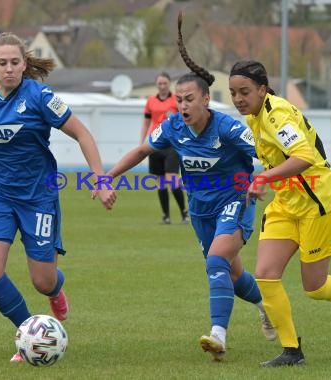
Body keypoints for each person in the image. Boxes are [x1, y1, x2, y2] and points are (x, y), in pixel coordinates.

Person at [0, 32, 116, 363]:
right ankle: (29, 332)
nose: (9, 69)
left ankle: (55, 290)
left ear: (24, 64)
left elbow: (83, 134)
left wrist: (100, 179)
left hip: (38, 197)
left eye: (15, 63)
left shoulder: (41, 96)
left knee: (42, 281)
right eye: (3, 63)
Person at [103, 12, 276, 361]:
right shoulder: (171, 127)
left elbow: (266, 153)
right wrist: (108, 177)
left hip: (234, 201)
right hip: (200, 208)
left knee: (215, 262)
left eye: (189, 100)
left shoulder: (227, 128)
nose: (182, 105)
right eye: (179, 100)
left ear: (205, 100)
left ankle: (218, 335)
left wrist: (261, 181)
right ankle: (266, 306)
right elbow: (141, 150)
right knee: (231, 272)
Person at [228, 60, 331, 367]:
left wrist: (262, 179)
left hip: (318, 203)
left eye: (244, 92)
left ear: (262, 89)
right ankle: (292, 351)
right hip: (286, 204)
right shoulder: (255, 118)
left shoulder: (277, 115)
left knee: (315, 287)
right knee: (266, 275)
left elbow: (303, 156)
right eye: (233, 93)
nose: (237, 99)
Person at [141, 72, 190, 224]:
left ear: (170, 84)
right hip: (155, 144)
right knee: (160, 182)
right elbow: (146, 123)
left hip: (172, 144)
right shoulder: (150, 101)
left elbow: (185, 119)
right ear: (156, 84)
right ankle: (166, 216)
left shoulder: (176, 100)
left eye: (165, 83)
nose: (162, 86)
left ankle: (184, 213)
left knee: (172, 180)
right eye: (160, 83)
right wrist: (142, 143)